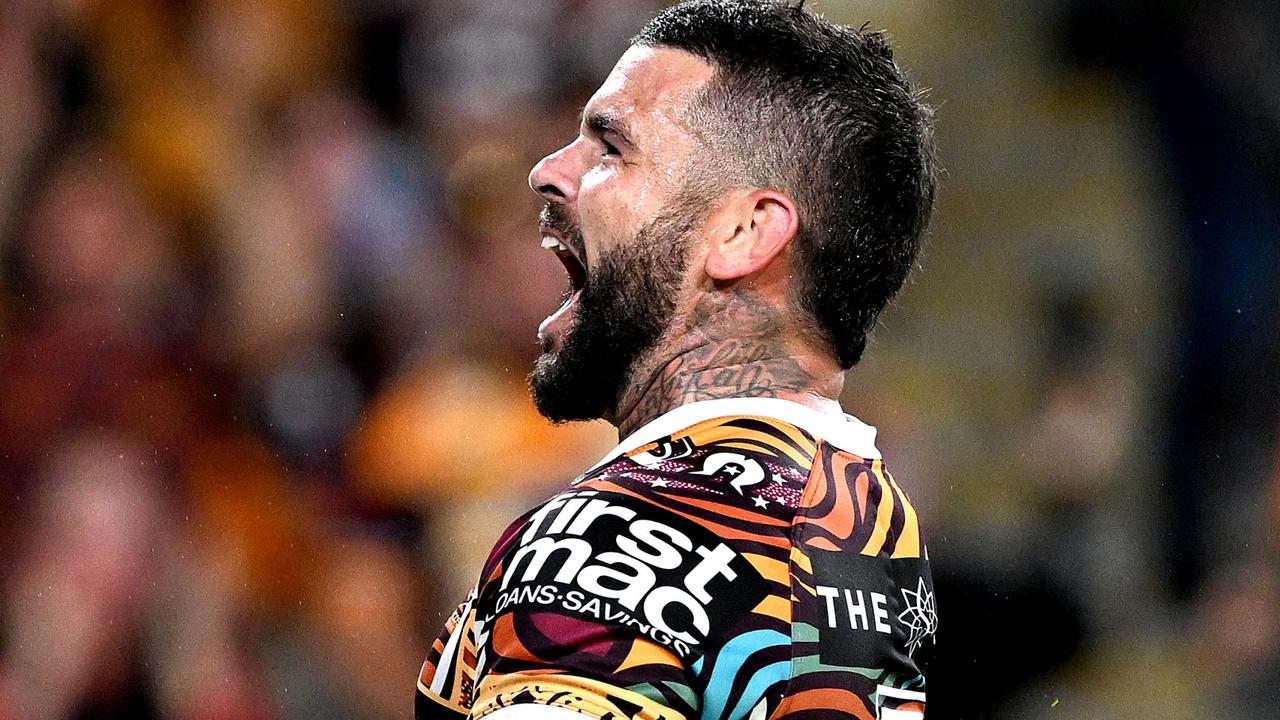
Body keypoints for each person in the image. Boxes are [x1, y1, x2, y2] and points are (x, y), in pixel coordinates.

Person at [415, 1, 938, 718]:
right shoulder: (867, 520)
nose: (545, 171)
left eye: (611, 148)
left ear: (744, 231)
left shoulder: (613, 541)